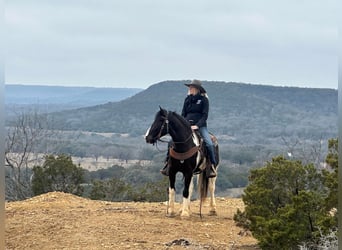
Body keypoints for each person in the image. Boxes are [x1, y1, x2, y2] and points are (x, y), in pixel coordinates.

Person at [160, 79, 217, 178]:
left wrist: (197, 126)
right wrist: (183, 125)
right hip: (186, 126)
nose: (190, 89)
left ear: (197, 89)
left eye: (192, 87)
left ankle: (211, 165)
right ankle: (167, 164)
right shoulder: (187, 99)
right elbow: (183, 114)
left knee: (209, 143)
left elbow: (205, 116)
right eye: (189, 87)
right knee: (171, 142)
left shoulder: (204, 100)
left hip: (200, 126)